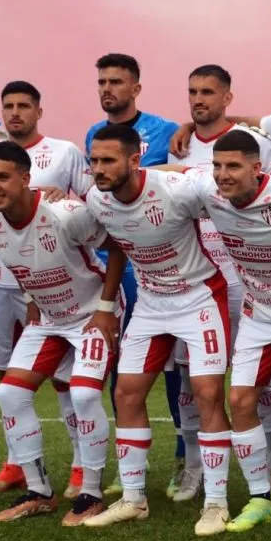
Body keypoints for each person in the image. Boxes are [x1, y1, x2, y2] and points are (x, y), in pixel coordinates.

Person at [159, 128, 271, 536]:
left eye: (233, 167)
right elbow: (162, 177)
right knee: (240, 400)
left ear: (258, 168)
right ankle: (260, 498)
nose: (223, 175)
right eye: (218, 166)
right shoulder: (209, 190)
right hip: (260, 312)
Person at [81, 124, 233, 536]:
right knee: (126, 392)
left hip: (199, 297)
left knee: (207, 393)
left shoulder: (177, 189)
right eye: (94, 160)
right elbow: (111, 246)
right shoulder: (97, 199)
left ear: (134, 160)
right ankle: (133, 499)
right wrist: (107, 306)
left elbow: (230, 193)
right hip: (150, 303)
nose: (98, 169)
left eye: (108, 160)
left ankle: (217, 504)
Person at [0, 141, 124, 526]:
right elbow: (22, 264)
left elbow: (118, 250)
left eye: (3, 177)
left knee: (84, 393)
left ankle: (91, 493)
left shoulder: (66, 213)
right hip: (49, 319)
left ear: (26, 179)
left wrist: (107, 311)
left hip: (94, 313)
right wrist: (30, 301)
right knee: (9, 393)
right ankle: (39, 492)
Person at [0, 81, 94, 501]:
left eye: (24, 105)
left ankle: (85, 480)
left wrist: (109, 306)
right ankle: (28, 477)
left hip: (83, 303)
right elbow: (9, 245)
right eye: (9, 106)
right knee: (8, 385)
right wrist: (33, 297)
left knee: (75, 387)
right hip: (28, 297)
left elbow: (106, 230)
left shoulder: (65, 173)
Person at [166, 65, 271, 506]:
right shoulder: (181, 145)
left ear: (228, 97)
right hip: (194, 279)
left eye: (208, 92)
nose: (198, 99)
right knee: (195, 380)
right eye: (192, 92)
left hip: (246, 277)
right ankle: (193, 465)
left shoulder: (258, 141)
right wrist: (189, 127)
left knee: (257, 379)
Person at [84, 53, 186, 496]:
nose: (108, 89)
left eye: (117, 81)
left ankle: (187, 457)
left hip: (165, 265)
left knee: (173, 368)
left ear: (136, 88)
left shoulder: (166, 130)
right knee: (122, 368)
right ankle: (129, 470)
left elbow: (184, 176)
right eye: (102, 81)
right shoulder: (95, 135)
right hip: (119, 267)